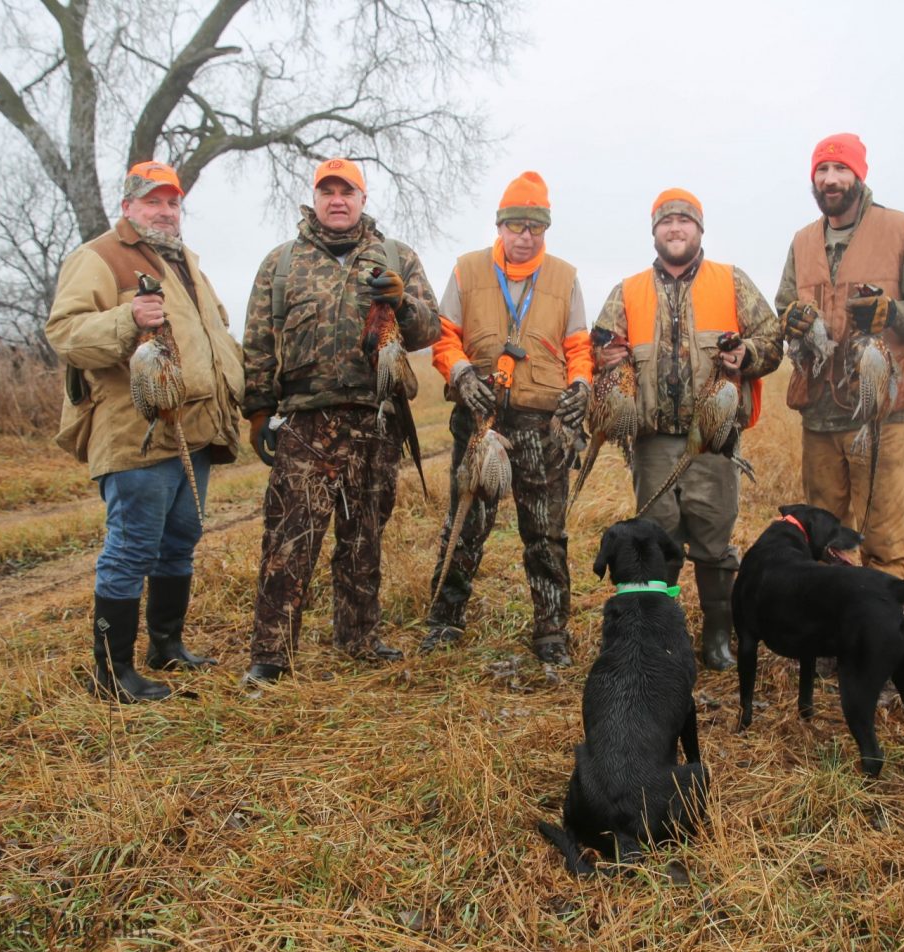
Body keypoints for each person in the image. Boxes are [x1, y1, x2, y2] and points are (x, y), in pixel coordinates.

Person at [46, 160, 244, 702]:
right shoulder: (98, 257)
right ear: (128, 206)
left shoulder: (184, 262)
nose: (164, 210)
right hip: (135, 431)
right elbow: (65, 335)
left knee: (179, 543)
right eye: (152, 201)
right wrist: (127, 318)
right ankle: (113, 675)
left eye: (172, 201)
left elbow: (216, 337)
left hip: (195, 430)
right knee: (131, 550)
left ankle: (166, 648)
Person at [240, 157, 440, 684]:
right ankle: (271, 654)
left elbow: (429, 329)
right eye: (327, 191)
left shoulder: (397, 257)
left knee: (365, 534)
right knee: (289, 537)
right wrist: (259, 412)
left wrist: (403, 302)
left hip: (377, 417)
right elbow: (258, 343)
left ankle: (359, 637)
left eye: (346, 191)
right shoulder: (282, 263)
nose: (337, 200)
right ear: (315, 198)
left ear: (362, 199)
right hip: (307, 421)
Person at [593, 188, 782, 671]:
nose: (675, 229)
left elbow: (773, 339)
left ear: (699, 230)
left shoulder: (731, 281)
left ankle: (718, 636)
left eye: (684, 221)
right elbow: (600, 350)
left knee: (715, 541)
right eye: (666, 222)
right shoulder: (628, 291)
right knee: (657, 539)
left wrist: (748, 355)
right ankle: (661, 635)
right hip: (652, 441)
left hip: (714, 442)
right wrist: (607, 358)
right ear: (654, 231)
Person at [421, 171, 593, 667]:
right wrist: (458, 372)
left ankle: (551, 629)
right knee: (466, 522)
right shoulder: (467, 270)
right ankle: (445, 619)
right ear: (499, 227)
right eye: (515, 225)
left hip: (543, 423)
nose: (525, 236)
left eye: (535, 227)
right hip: (481, 419)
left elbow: (578, 347)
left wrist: (580, 385)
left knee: (545, 531)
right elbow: (443, 334)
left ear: (545, 230)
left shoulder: (564, 277)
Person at [775, 133, 904, 578]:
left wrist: (891, 312)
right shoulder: (802, 241)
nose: (830, 179)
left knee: (885, 542)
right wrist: (791, 321)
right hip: (819, 417)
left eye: (840, 169)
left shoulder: (900, 230)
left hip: (880, 418)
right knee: (822, 544)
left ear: (859, 175)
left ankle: (888, 641)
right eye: (822, 170)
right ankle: (833, 638)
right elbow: (783, 308)